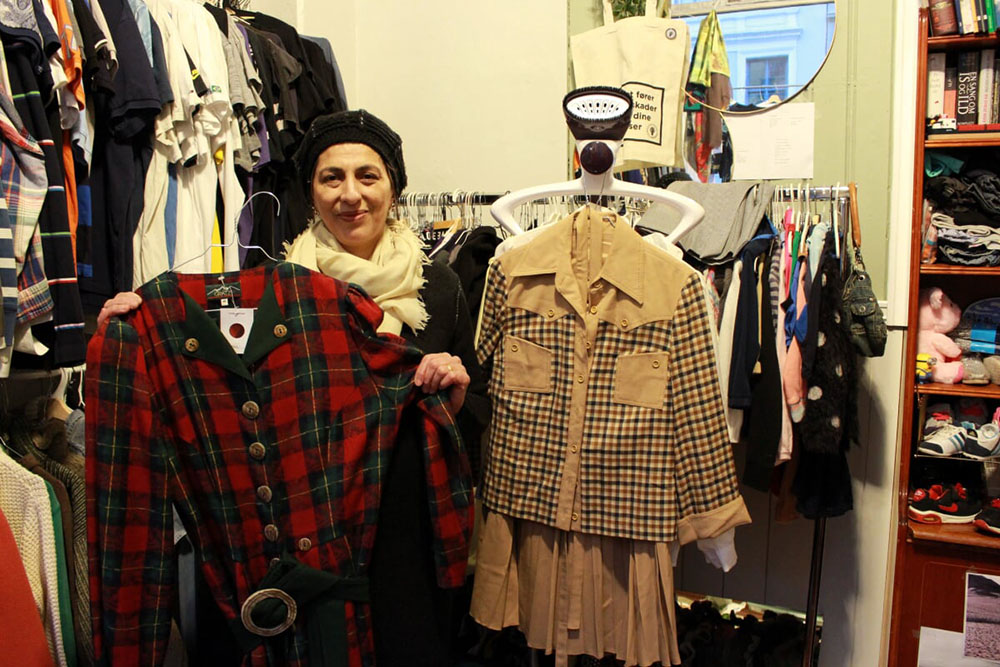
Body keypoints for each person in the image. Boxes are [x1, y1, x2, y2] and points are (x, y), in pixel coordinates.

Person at [97, 109, 489, 664]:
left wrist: (454, 397)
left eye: (368, 176)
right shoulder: (275, 288)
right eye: (332, 178)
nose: (350, 194)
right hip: (304, 524)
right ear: (310, 193)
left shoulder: (439, 286)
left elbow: (477, 412)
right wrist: (129, 330)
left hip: (403, 524)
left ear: (394, 188)